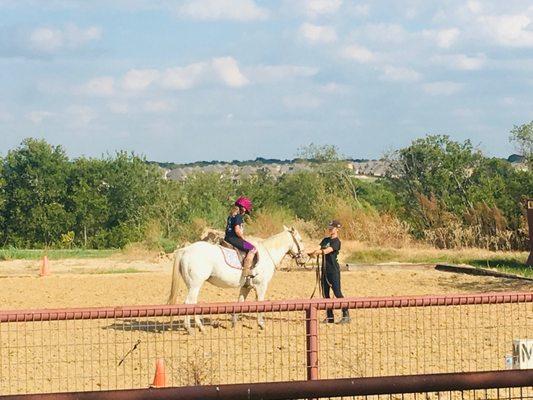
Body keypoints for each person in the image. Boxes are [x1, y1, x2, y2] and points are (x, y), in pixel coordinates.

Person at [307, 220, 350, 324]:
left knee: (337, 292)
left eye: (332, 228)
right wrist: (310, 251)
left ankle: (346, 314)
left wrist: (316, 253)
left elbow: (327, 251)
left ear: (337, 229)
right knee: (325, 294)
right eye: (329, 228)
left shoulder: (336, 242)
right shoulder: (325, 240)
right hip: (325, 270)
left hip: (333, 271)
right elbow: (318, 247)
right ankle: (330, 317)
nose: (330, 229)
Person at [224, 196, 257, 288]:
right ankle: (246, 272)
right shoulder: (238, 217)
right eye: (245, 210)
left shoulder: (231, 215)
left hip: (227, 238)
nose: (245, 212)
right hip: (235, 239)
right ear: (243, 208)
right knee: (253, 248)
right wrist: (243, 238)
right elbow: (237, 230)